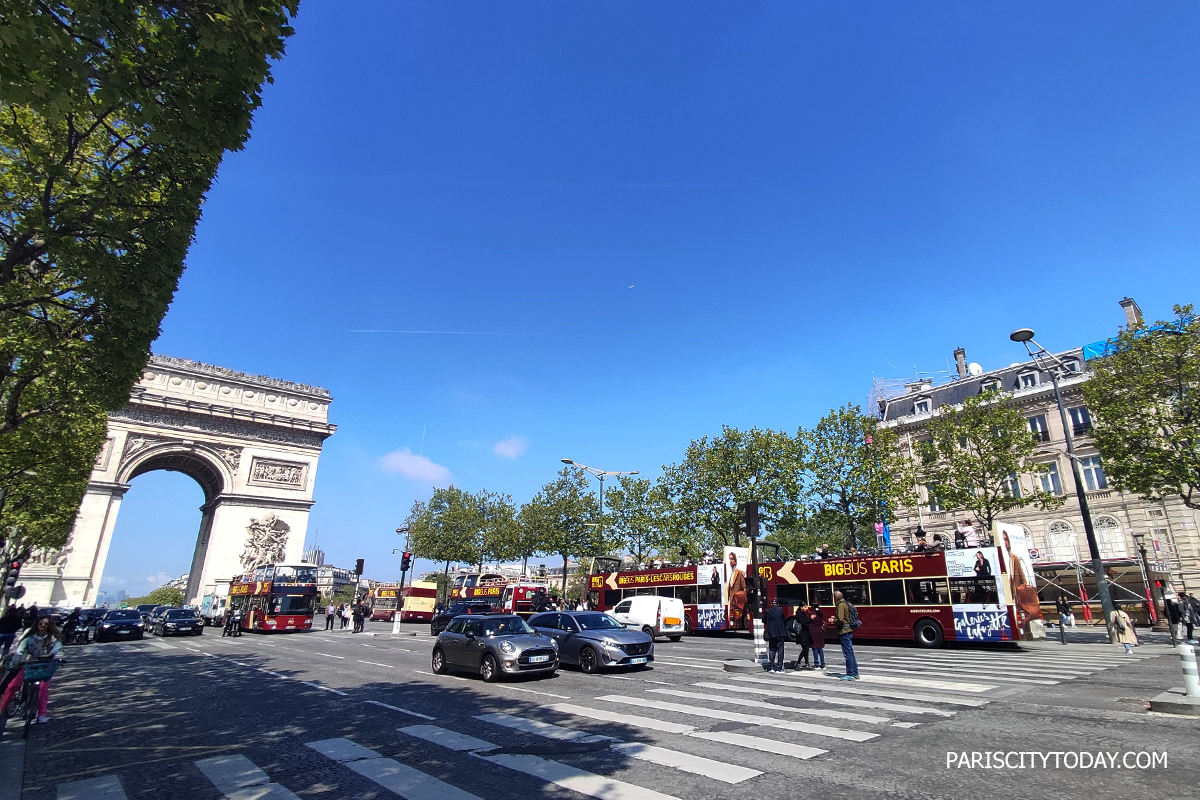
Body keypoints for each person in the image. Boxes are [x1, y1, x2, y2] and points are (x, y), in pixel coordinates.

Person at [0, 614, 63, 724]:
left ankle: (42, 713)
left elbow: (58, 647)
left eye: (46, 624)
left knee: (43, 689)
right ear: (37, 624)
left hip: (45, 667)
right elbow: (20, 651)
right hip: (30, 665)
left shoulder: (52, 639)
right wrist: (16, 661)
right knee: (13, 685)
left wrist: (52, 654)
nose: (43, 625)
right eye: (41, 623)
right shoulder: (29, 638)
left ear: (50, 626)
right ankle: (2, 707)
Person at [833, 590, 859, 681]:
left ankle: (850, 673)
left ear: (836, 597)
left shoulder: (840, 605)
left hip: (844, 631)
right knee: (851, 653)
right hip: (849, 629)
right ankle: (855, 673)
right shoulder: (846, 603)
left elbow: (840, 619)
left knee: (847, 654)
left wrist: (833, 620)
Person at [764, 598, 786, 673]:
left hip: (772, 633)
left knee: (772, 649)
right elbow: (783, 618)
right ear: (778, 604)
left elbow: (764, 620)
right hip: (780, 633)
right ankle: (779, 668)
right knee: (780, 650)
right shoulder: (780, 610)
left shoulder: (768, 611)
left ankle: (771, 667)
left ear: (771, 604)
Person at [726, 551, 747, 628]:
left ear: (735, 561)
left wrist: (739, 597)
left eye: (732, 559)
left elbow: (744, 588)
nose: (730, 561)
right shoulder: (731, 574)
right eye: (729, 559)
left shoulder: (739, 573)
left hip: (738, 602)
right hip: (731, 601)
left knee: (738, 619)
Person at [806, 604, 826, 670]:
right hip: (820, 631)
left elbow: (807, 621)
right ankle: (823, 663)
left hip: (813, 632)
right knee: (820, 648)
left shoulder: (812, 614)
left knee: (815, 647)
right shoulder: (820, 613)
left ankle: (816, 663)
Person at [794, 604, 813, 669]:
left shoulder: (803, 613)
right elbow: (803, 622)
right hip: (802, 633)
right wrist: (810, 618)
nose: (807, 608)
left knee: (806, 649)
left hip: (806, 633)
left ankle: (807, 663)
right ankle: (798, 662)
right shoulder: (799, 614)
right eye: (805, 607)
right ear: (801, 607)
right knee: (805, 649)